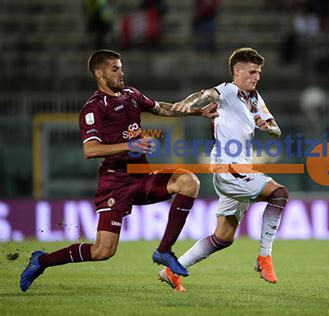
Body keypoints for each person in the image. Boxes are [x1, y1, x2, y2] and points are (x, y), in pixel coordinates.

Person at [19, 49, 217, 292]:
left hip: (141, 176)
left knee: (188, 182)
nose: (121, 73)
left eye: (121, 67)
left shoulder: (131, 94)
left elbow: (160, 108)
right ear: (100, 73)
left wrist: (197, 112)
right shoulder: (93, 108)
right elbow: (90, 150)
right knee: (102, 251)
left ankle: (164, 251)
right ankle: (41, 260)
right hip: (115, 183)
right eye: (115, 69)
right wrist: (130, 145)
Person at [158, 47, 289, 291]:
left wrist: (267, 127)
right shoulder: (228, 90)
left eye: (259, 72)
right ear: (237, 72)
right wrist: (185, 104)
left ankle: (170, 271)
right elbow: (205, 94)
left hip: (240, 169)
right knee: (279, 193)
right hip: (229, 169)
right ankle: (264, 258)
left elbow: (276, 129)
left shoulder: (254, 98)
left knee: (223, 237)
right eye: (252, 71)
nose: (257, 76)